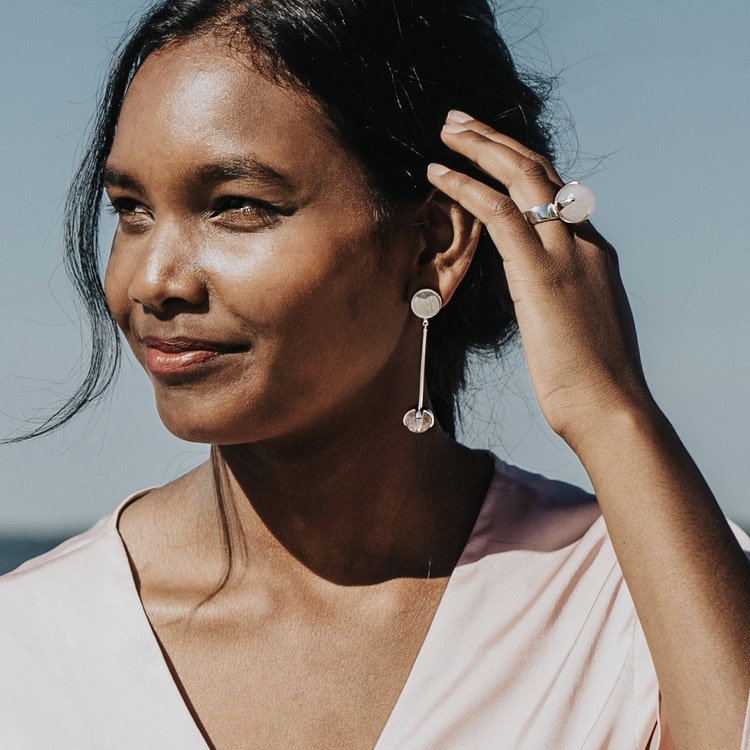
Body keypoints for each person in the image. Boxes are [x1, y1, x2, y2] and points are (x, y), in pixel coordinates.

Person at [1, 1, 748, 748]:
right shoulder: (29, 644)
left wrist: (609, 407)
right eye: (131, 210)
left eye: (236, 206)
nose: (153, 280)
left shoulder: (637, 604)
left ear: (432, 242)